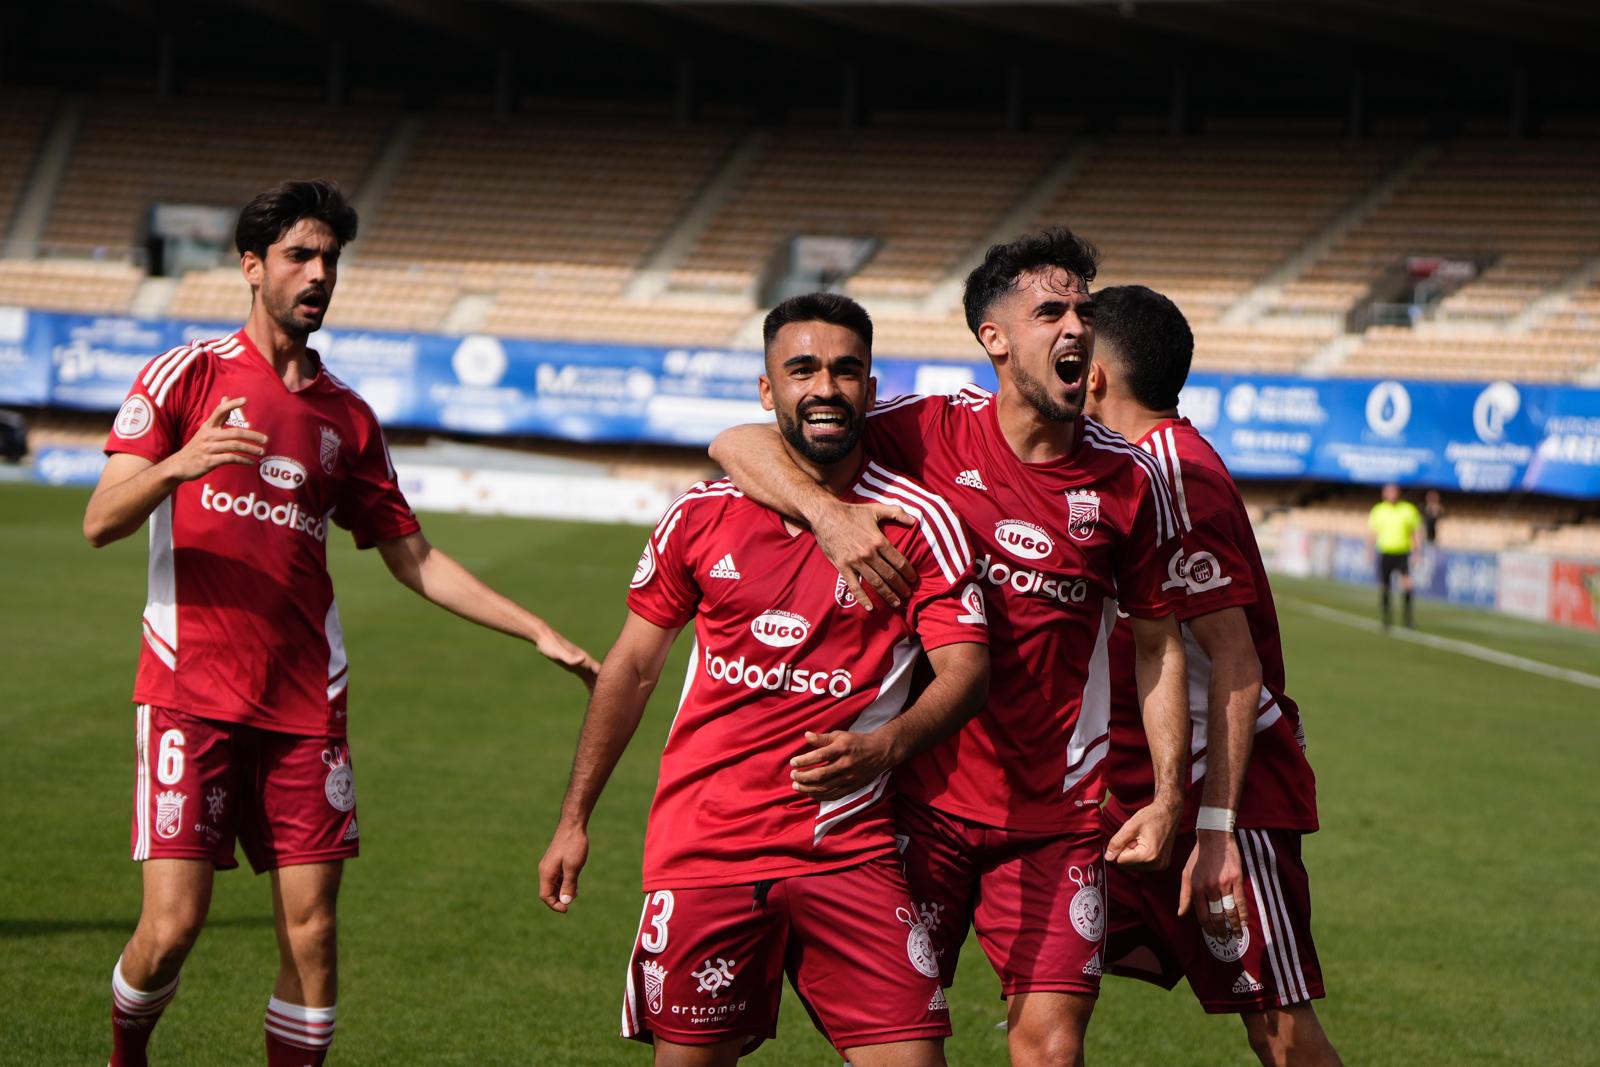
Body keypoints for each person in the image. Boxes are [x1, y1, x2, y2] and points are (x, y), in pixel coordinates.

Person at [84, 179, 600, 1067]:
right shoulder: (188, 376)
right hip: (187, 690)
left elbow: (416, 557)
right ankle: (126, 1052)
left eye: (330, 259)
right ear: (253, 268)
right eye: (299, 256)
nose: (318, 274)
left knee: (314, 936)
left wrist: (536, 628)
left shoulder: (348, 419)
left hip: (304, 707)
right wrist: (182, 461)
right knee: (171, 929)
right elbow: (101, 519)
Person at [710, 230, 1190, 1067]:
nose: (1075, 327)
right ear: (993, 337)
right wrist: (830, 515)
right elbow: (738, 442)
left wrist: (1169, 796)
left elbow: (1160, 648)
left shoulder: (1127, 480)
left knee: (1050, 1048)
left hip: (1056, 820)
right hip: (917, 801)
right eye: (1050, 311)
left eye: (1083, 310)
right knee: (887, 1041)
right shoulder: (922, 433)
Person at [539, 292, 990, 1067]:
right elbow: (635, 667)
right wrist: (575, 816)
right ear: (767, 389)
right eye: (803, 369)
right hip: (705, 851)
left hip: (849, 851)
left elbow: (966, 671)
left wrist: (885, 748)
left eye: (847, 371)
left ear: (872, 388)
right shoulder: (700, 517)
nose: (825, 387)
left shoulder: (919, 522)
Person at [1084, 285, 1344, 1067]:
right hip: (1126, 794)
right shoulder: (1127, 466)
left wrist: (1216, 828)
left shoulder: (1173, 472)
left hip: (1217, 793)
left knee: (1281, 1032)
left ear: (1095, 375)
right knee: (1043, 988)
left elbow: (1235, 657)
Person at [1368, 483, 1422, 629]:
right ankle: (1386, 618)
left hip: (1402, 553)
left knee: (1407, 584)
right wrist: (1370, 552)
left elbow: (1415, 532)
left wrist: (1417, 552)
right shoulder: (1378, 510)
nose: (1391, 494)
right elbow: (1373, 533)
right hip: (1385, 552)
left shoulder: (1408, 510)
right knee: (1385, 586)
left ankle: (1407, 619)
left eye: (1393, 491)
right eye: (1388, 492)